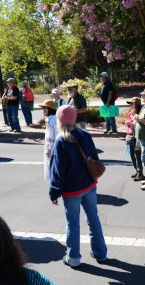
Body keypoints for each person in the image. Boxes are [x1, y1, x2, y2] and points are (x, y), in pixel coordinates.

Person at [49, 105, 108, 267]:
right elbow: (95, 157)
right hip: (89, 184)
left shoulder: (61, 141)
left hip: (72, 190)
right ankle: (100, 253)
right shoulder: (85, 135)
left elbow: (57, 171)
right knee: (93, 218)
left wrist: (54, 193)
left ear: (59, 120)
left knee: (73, 223)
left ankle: (73, 257)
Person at [124, 97, 144, 180]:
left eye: (131, 103)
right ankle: (137, 170)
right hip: (130, 136)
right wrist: (127, 123)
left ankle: (140, 173)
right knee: (132, 155)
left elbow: (139, 124)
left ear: (136, 104)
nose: (130, 105)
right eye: (130, 104)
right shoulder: (130, 113)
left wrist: (130, 123)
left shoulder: (140, 113)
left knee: (138, 155)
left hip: (137, 136)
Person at [39, 100, 58, 179]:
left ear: (50, 109)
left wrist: (49, 149)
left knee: (51, 167)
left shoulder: (50, 120)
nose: (43, 110)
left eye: (45, 108)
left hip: (52, 147)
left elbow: (50, 136)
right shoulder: (55, 118)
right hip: (56, 146)